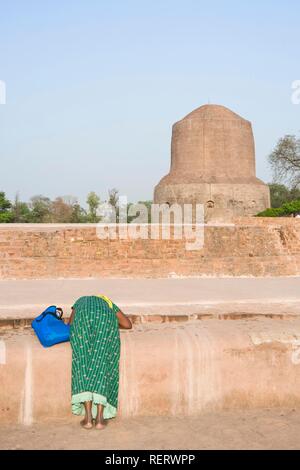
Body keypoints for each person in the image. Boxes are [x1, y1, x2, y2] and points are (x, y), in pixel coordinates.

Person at [68, 295, 132, 430]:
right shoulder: (107, 301)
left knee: (82, 363)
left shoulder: (79, 302)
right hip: (105, 322)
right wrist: (111, 324)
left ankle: (87, 419)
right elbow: (127, 324)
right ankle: (100, 419)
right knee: (102, 363)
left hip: (83, 321)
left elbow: (70, 324)